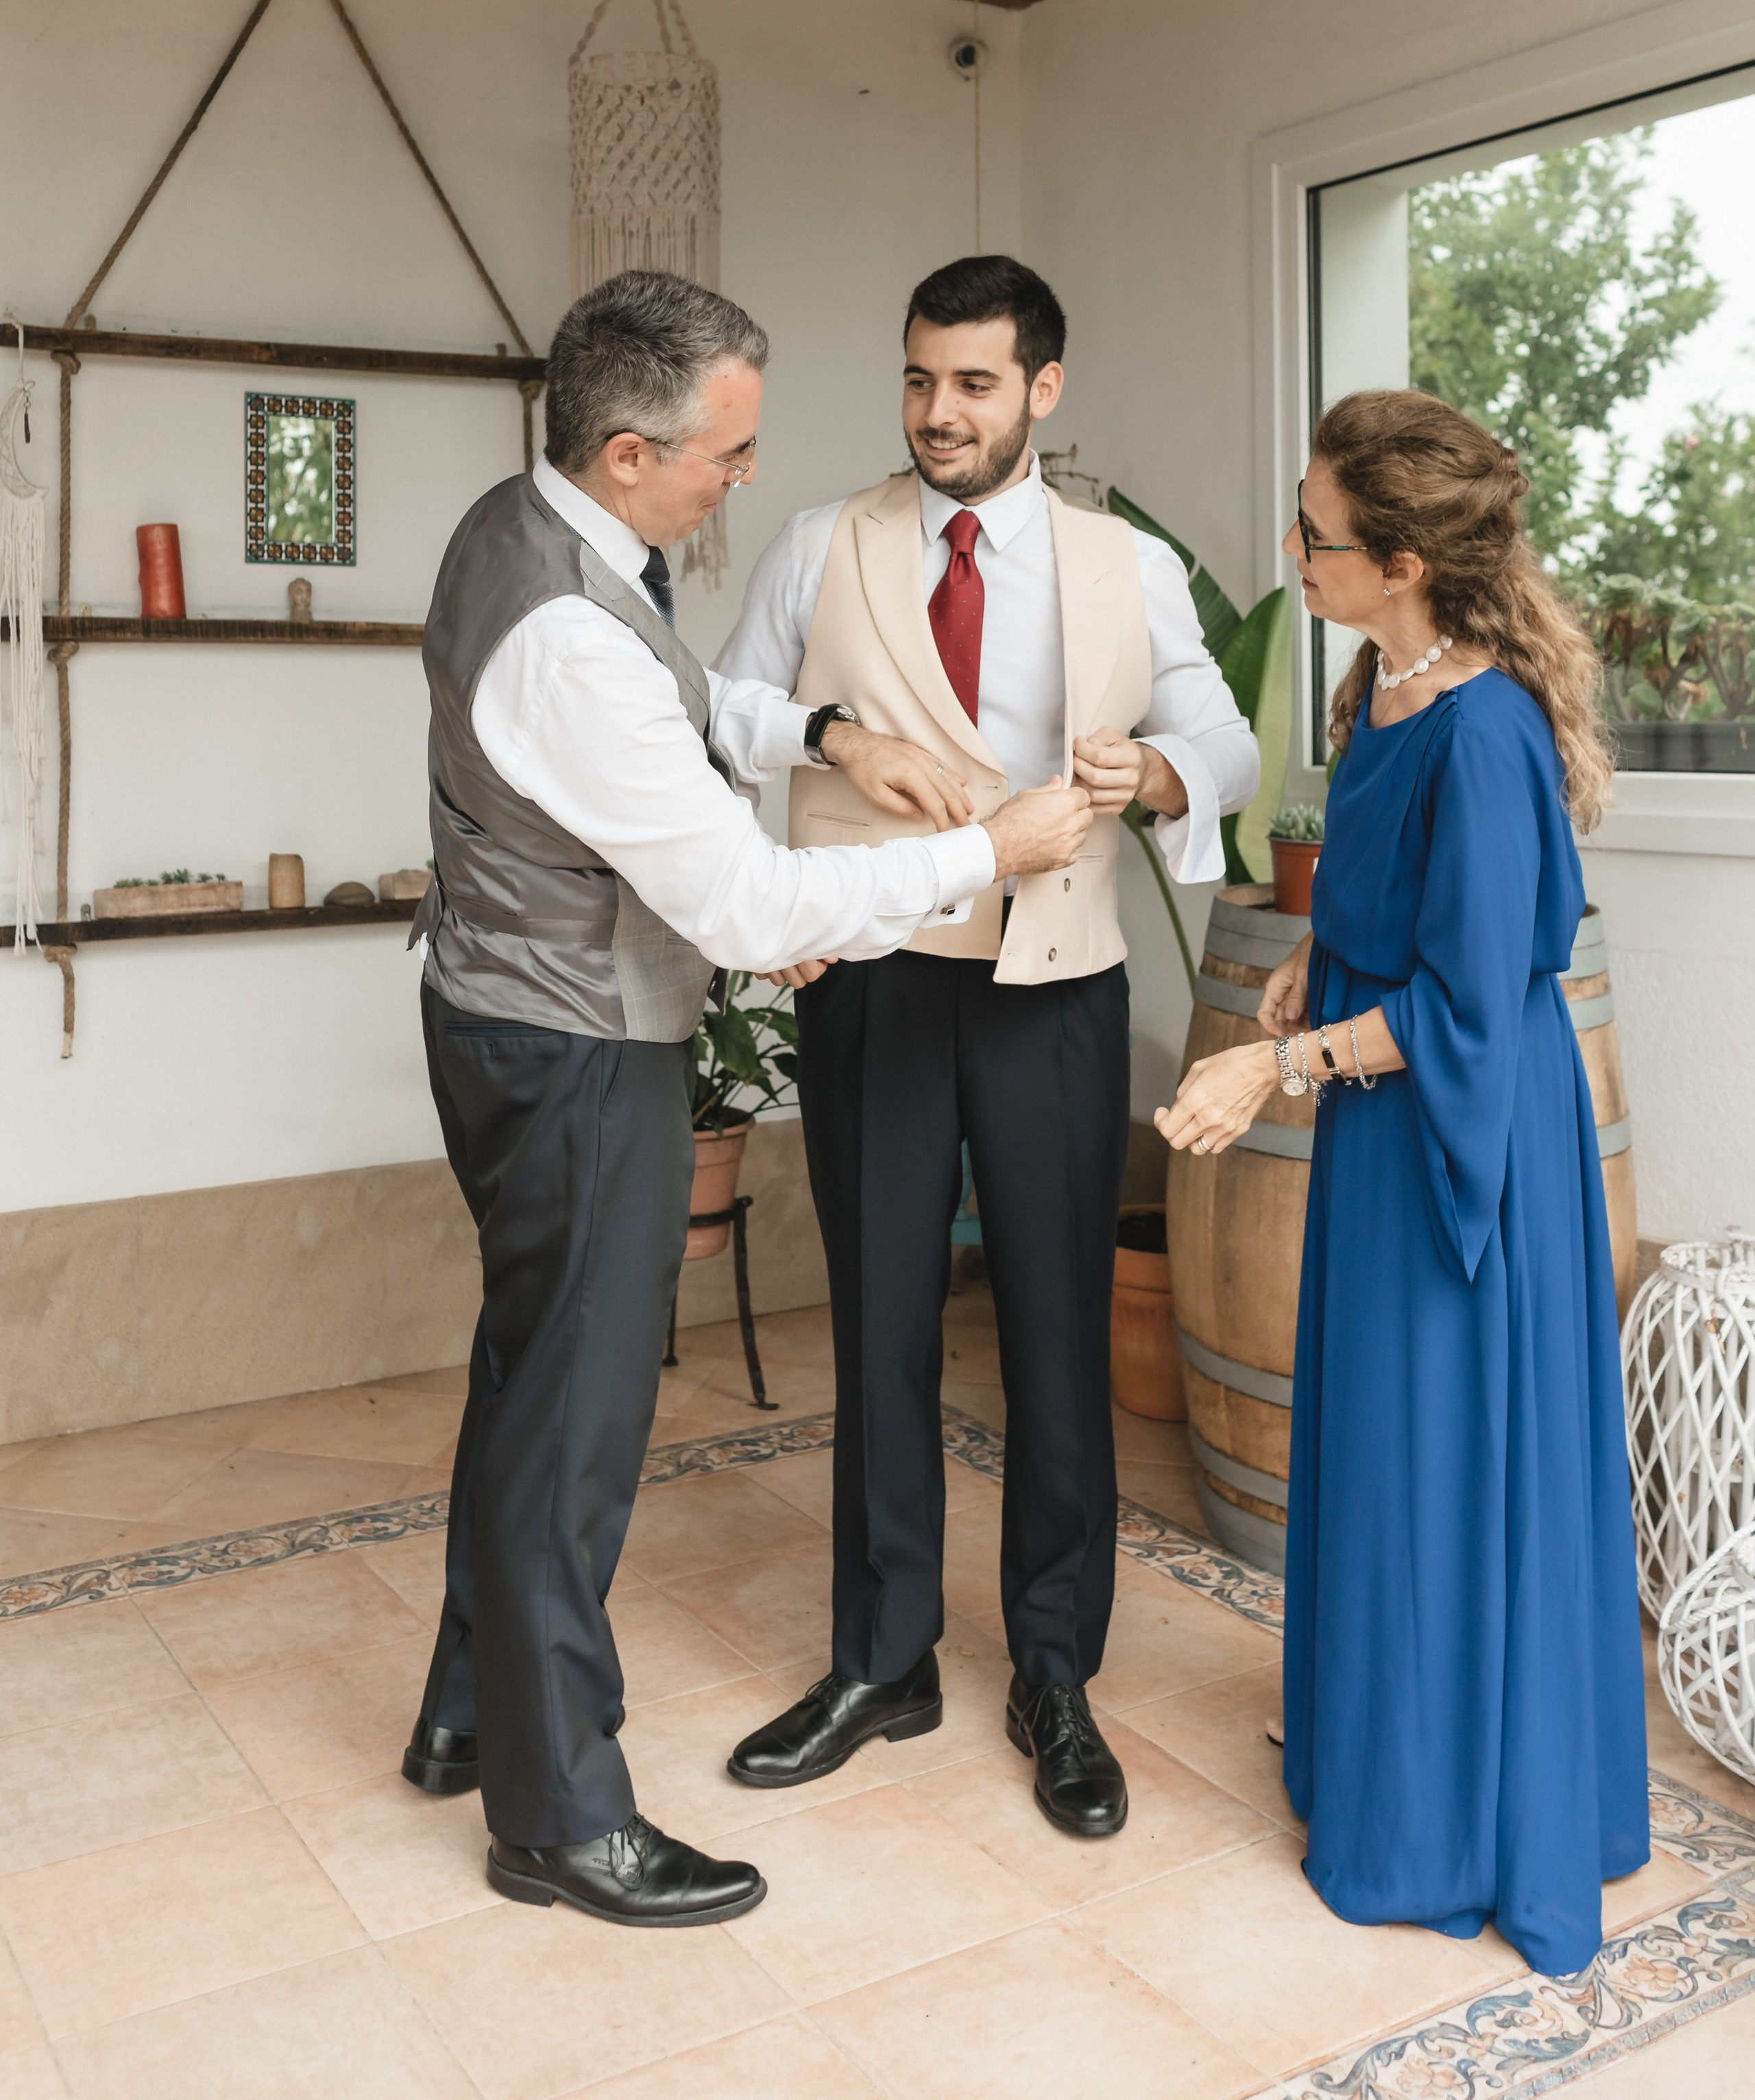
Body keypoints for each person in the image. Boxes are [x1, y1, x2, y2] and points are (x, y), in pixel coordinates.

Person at [400, 268, 1092, 1928]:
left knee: (527, 1380)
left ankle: (467, 1710)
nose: (740, 482)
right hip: (573, 1050)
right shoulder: (565, 632)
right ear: (631, 453)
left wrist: (830, 733)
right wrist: (981, 851)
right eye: (724, 455)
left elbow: (686, 698)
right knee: (575, 1428)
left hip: (506, 1016)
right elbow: (749, 913)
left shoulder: (529, 524)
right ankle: (559, 1814)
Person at [716, 255, 1257, 1835]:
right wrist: (836, 736)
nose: (935, 413)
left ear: (1041, 389)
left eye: (969, 383)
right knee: (881, 1317)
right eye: (914, 380)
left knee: (1050, 1330)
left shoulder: (1119, 564)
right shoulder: (822, 541)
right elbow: (721, 710)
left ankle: (1052, 1673)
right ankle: (881, 1657)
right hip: (875, 973)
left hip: (1056, 982)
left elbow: (1219, 733)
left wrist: (1156, 768)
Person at [1157, 388, 1647, 1976]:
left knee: (1446, 1467)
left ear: (1406, 558)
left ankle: (1455, 1816)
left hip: (1470, 1160)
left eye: (1313, 534)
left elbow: (1472, 1003)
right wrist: (1312, 951)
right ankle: (1376, 1755)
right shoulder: (1376, 679)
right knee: (1373, 1454)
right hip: (1386, 1135)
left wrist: (1272, 1065)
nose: (1290, 552)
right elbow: (1392, 897)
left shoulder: (1489, 730)